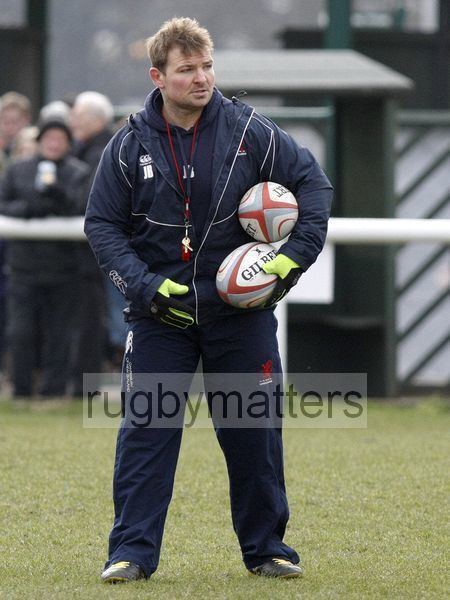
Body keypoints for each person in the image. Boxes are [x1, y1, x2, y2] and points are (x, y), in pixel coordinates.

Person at [85, 17, 333, 583]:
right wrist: (146, 287)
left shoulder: (253, 131)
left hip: (240, 315)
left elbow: (313, 187)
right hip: (159, 316)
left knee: (254, 434)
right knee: (147, 433)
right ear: (159, 76)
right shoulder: (127, 145)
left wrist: (290, 259)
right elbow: (102, 226)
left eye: (207, 67)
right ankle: (131, 554)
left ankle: (268, 549)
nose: (202, 79)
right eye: (187, 70)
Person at [0, 119, 90, 397]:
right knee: (21, 332)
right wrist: (29, 209)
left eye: (59, 139)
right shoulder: (17, 170)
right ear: (39, 141)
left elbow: (81, 205)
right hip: (23, 268)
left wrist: (55, 195)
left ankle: (54, 391)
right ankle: (21, 390)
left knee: (60, 334)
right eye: (48, 138)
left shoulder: (79, 173)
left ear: (67, 143)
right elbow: (4, 203)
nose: (53, 144)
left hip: (65, 269)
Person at [69, 91, 116, 395]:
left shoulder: (100, 152)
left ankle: (85, 388)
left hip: (94, 254)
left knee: (91, 320)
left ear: (94, 120)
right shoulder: (91, 149)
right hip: (98, 252)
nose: (72, 121)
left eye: (77, 115)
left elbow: (88, 201)